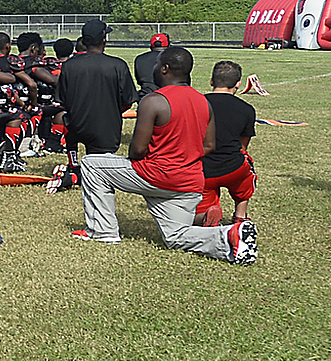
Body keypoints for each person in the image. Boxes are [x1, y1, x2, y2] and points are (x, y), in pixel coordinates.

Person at [74, 46, 255, 262]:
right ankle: (228, 236)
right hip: (190, 183)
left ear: (165, 69)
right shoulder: (202, 101)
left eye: (157, 64)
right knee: (174, 237)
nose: (154, 67)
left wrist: (157, 168)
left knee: (92, 164)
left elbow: (137, 150)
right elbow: (209, 145)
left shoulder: (153, 100)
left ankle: (103, 232)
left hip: (158, 175)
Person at [56, 18, 136, 204]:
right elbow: (128, 102)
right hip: (106, 128)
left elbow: (62, 101)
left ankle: (75, 168)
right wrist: (112, 111)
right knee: (101, 169)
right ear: (104, 40)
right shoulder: (117, 65)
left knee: (72, 132)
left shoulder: (69, 65)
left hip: (75, 124)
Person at [199, 59, 258, 228]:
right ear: (238, 84)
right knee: (247, 171)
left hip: (203, 169)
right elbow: (243, 147)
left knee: (205, 194)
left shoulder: (198, 103)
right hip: (234, 169)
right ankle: (240, 215)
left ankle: (208, 214)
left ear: (211, 81)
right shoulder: (246, 109)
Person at [135, 32, 170, 97]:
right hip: (167, 96)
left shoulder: (139, 58)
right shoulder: (172, 58)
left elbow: (139, 80)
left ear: (151, 46)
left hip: (145, 97)